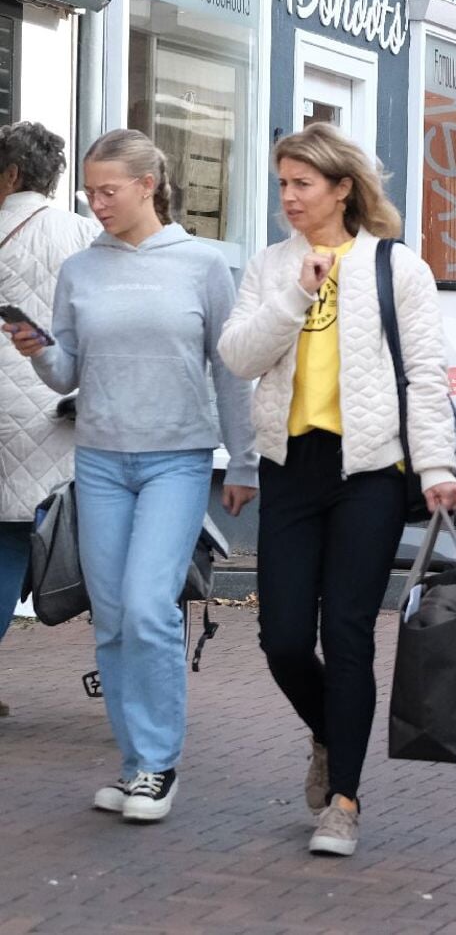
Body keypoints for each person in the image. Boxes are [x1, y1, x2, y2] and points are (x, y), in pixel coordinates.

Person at [218, 123, 456, 857]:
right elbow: (238, 356)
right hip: (291, 468)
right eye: (283, 184)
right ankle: (329, 730)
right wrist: (294, 296)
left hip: (372, 474)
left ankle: (344, 800)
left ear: (342, 188)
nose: (289, 197)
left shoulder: (396, 267)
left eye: (303, 184)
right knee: (283, 637)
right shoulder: (270, 266)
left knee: (346, 633)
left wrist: (438, 465)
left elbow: (424, 374)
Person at [5, 129, 258, 823]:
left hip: (177, 459)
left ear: (149, 185)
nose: (97, 202)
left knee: (149, 608)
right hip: (100, 461)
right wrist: (35, 349)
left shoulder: (204, 266)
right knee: (112, 617)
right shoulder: (81, 269)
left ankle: (158, 766)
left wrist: (243, 461)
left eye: (108, 190)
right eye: (90, 190)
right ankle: (133, 764)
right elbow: (66, 371)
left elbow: (231, 372)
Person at [0, 121, 97, 714]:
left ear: (9, 174)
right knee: (62, 541)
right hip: (49, 410)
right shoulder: (83, 233)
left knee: (6, 546)